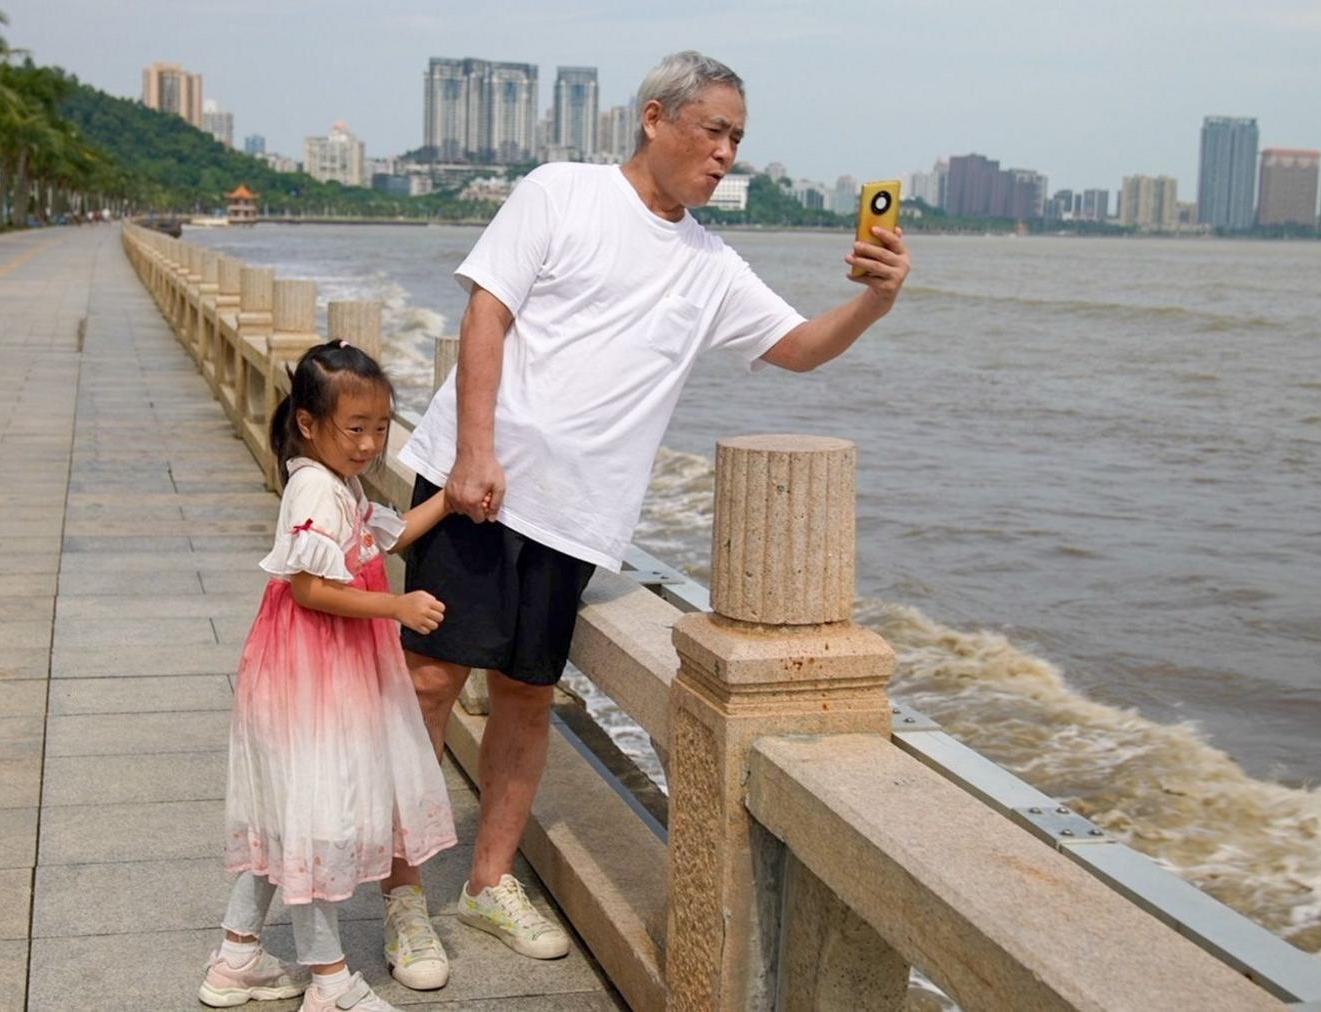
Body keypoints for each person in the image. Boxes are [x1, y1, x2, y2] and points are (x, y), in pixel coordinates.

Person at [380, 50, 913, 985]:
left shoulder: (710, 263)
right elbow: (487, 313)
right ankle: (399, 894)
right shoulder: (561, 192)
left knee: (525, 696)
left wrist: (875, 299)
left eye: (738, 140)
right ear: (655, 118)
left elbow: (797, 349)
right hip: (478, 485)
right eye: (715, 131)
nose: (726, 154)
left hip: (576, 519)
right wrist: (472, 450)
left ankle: (488, 883)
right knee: (428, 683)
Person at [199, 341, 458, 1012]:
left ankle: (236, 958)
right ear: (310, 424)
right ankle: (331, 981)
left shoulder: (337, 480)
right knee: (318, 820)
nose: (371, 442)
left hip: (316, 671)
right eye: (356, 428)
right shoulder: (314, 487)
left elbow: (389, 537)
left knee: (287, 817)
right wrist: (396, 606)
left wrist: (451, 503)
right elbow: (310, 587)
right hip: (309, 678)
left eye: (381, 427)